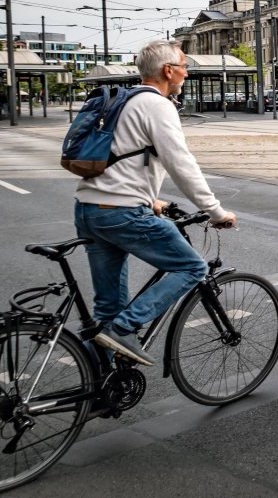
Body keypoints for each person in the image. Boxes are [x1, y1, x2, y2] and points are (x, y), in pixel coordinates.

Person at [74, 40, 237, 367]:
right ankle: (125, 328)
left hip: (89, 208)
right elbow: (181, 164)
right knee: (192, 267)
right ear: (168, 70)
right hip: (120, 212)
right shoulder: (157, 105)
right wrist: (215, 211)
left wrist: (150, 199)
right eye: (184, 66)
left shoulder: (124, 100)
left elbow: (121, 157)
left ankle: (97, 389)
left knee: (107, 308)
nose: (187, 73)